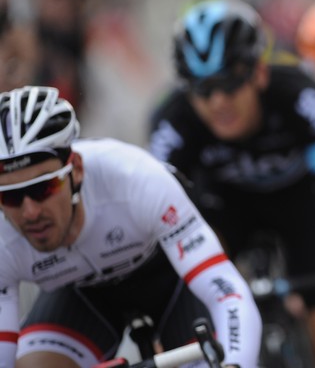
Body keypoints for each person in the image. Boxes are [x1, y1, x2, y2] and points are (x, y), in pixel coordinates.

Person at [0, 85, 261, 367]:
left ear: (75, 169)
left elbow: (227, 291)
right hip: (81, 297)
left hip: (170, 281)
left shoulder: (135, 178)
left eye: (44, 188)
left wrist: (236, 363)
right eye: (9, 196)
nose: (29, 212)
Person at [148, 0, 315, 368]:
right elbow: (158, 204)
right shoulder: (172, 121)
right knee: (185, 277)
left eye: (230, 83)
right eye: (203, 91)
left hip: (302, 202)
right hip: (226, 207)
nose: (219, 101)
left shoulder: (301, 95)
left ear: (259, 74)